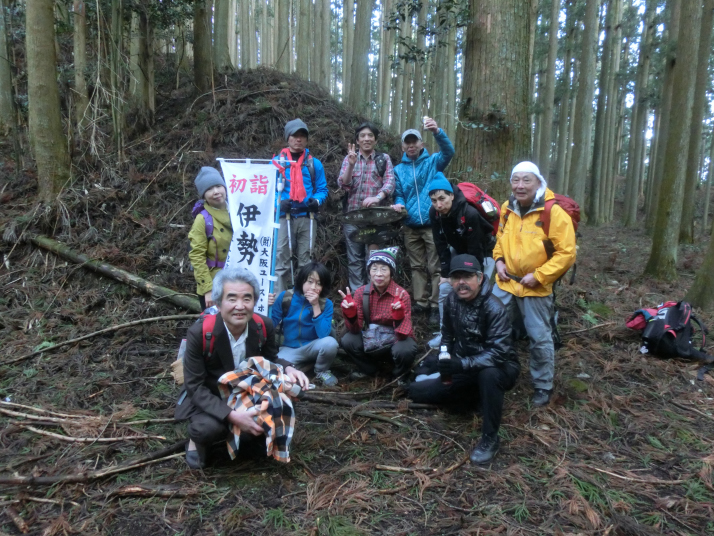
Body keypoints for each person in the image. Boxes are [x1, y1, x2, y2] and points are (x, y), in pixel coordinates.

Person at [175, 267, 309, 469]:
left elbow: (270, 359)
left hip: (246, 393)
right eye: (232, 299)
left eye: (247, 298)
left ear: (255, 301)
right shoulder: (201, 332)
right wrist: (233, 416)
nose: (240, 306)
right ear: (219, 303)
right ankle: (197, 440)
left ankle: (246, 435)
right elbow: (194, 386)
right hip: (212, 394)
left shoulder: (263, 326)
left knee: (281, 401)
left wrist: (289, 369)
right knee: (207, 429)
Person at [408, 254, 520, 464]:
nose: (461, 283)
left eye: (467, 277)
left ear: (480, 278)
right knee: (415, 391)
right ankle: (473, 396)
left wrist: (460, 364)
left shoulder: (494, 308)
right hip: (465, 363)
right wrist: (445, 359)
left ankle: (490, 438)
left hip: (500, 367)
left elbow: (499, 353)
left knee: (489, 375)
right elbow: (447, 336)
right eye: (456, 277)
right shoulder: (451, 300)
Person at [492, 161, 576, 407]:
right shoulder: (507, 208)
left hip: (536, 287)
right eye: (515, 180)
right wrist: (498, 261)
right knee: (495, 329)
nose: (520, 185)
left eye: (526, 180)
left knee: (539, 337)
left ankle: (542, 385)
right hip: (506, 283)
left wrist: (539, 276)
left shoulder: (553, 213)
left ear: (538, 182)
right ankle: (497, 372)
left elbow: (566, 253)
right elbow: (500, 240)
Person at [392, 117, 455, 326]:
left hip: (432, 223)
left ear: (421, 143)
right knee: (417, 266)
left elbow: (449, 152)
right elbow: (399, 193)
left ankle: (436, 305)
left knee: (435, 266)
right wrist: (399, 204)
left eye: (414, 141)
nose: (411, 145)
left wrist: (437, 131)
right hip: (410, 225)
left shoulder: (432, 162)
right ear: (403, 146)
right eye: (407, 142)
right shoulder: (398, 170)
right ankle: (420, 302)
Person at [427, 173, 495, 348]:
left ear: (451, 195)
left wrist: (473, 276)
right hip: (458, 249)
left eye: (442, 199)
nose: (438, 205)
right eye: (434, 200)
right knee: (445, 288)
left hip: (483, 252)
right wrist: (445, 274)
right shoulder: (434, 213)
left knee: (480, 292)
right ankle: (445, 333)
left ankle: (479, 335)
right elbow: (440, 245)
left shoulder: (469, 213)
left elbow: (475, 249)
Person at [339, 247, 418, 380]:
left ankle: (398, 375)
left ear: (391, 272)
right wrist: (351, 314)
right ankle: (370, 370)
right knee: (348, 340)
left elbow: (404, 334)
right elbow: (355, 329)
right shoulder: (361, 293)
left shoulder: (402, 294)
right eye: (374, 269)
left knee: (405, 349)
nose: (378, 274)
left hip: (395, 340)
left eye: (384, 269)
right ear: (369, 272)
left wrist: (398, 316)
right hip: (372, 339)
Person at [338, 122, 396, 291]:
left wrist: (377, 197)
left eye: (370, 135)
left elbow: (390, 182)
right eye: (362, 136)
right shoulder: (350, 159)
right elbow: (344, 184)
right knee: (354, 259)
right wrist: (351, 164)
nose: (366, 139)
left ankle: (373, 295)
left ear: (375, 140)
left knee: (374, 259)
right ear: (357, 140)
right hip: (353, 217)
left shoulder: (383, 159)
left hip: (375, 219)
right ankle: (358, 295)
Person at [274, 119, 328, 294]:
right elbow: (267, 190)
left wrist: (316, 201)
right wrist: (278, 203)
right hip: (284, 216)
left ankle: (304, 298)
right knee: (281, 259)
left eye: (302, 136)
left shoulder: (313, 163)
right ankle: (280, 299)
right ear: (287, 138)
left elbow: (322, 189)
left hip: (307, 216)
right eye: (294, 135)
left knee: (306, 261)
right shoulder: (276, 163)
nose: (298, 139)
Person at [268, 262, 339, 387]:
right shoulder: (286, 297)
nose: (313, 287)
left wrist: (315, 306)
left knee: (330, 343)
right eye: (310, 282)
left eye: (319, 283)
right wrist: (266, 307)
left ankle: (321, 371)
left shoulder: (326, 304)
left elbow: (323, 334)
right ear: (302, 281)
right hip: (289, 348)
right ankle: (296, 367)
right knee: (275, 368)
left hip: (313, 346)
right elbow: (271, 324)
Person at [188, 167, 233, 310]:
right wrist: (208, 289)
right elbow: (197, 256)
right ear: (204, 195)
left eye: (218, 186)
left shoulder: (240, 211)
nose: (216, 192)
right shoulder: (202, 219)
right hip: (214, 283)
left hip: (238, 280)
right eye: (209, 189)